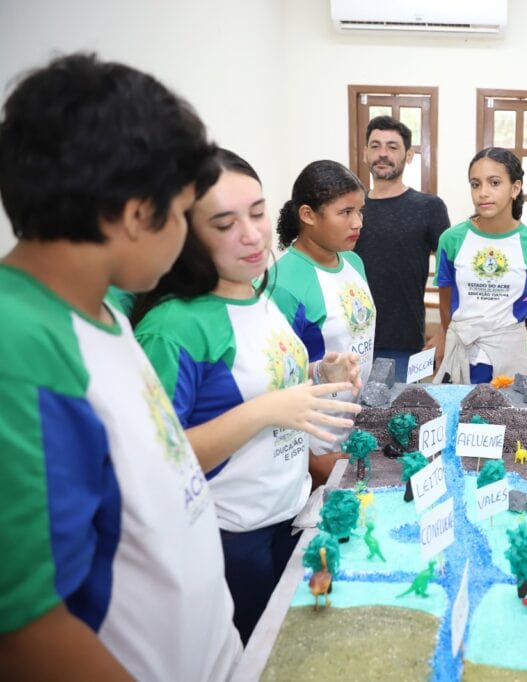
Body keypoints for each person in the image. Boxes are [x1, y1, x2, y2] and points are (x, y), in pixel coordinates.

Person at [0, 53, 241, 680]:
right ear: (138, 214)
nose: (189, 236)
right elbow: (27, 631)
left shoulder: (102, 307)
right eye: (186, 213)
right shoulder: (18, 348)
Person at [132, 149, 359, 645]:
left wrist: (322, 370)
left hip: (291, 513)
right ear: (184, 234)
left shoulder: (254, 289)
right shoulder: (173, 328)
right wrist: (264, 412)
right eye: (224, 223)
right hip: (233, 540)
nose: (253, 234)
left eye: (257, 212)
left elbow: (269, 380)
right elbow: (157, 462)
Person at [272, 159, 371, 485]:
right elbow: (275, 383)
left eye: (360, 210)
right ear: (308, 215)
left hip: (352, 426)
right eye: (345, 212)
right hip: (313, 444)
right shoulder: (284, 282)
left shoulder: (353, 261)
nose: (357, 222)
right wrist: (311, 459)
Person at [433, 147, 527, 384]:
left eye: (494, 182)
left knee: (512, 420)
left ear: (515, 188)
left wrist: (525, 349)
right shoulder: (451, 239)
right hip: (462, 356)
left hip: (512, 357)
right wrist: (452, 337)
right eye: (475, 184)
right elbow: (446, 303)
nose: (483, 193)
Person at [354, 115, 450, 380]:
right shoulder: (350, 209)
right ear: (365, 153)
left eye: (392, 147)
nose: (382, 154)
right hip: (349, 345)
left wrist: (444, 331)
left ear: (409, 155)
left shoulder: (429, 208)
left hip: (404, 345)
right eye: (375, 145)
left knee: (402, 420)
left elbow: (453, 273)